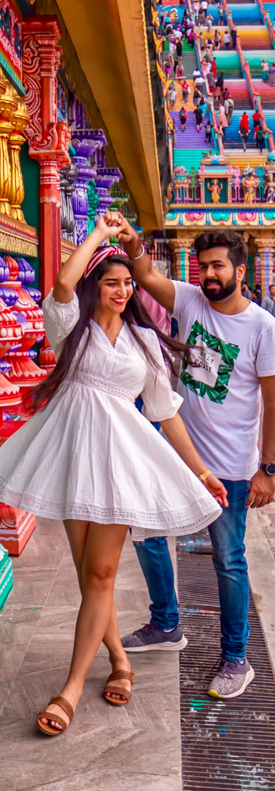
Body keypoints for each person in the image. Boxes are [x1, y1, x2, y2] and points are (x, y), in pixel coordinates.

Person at [0, 215, 224, 736]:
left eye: (127, 283)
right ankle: (120, 660)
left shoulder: (144, 340)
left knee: (101, 575)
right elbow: (63, 284)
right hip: (71, 455)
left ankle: (70, 688)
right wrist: (99, 236)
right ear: (96, 285)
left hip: (118, 461)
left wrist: (200, 470)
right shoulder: (73, 326)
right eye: (111, 282)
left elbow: (165, 411)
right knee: (91, 575)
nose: (122, 289)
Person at [119, 226, 275, 699]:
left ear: (240, 271)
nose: (207, 274)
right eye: (203, 266)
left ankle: (236, 658)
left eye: (217, 266)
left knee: (228, 561)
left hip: (230, 466)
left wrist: (266, 469)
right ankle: (166, 624)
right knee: (146, 533)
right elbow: (143, 273)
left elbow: (274, 401)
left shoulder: (262, 328)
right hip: (174, 454)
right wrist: (130, 243)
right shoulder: (187, 300)